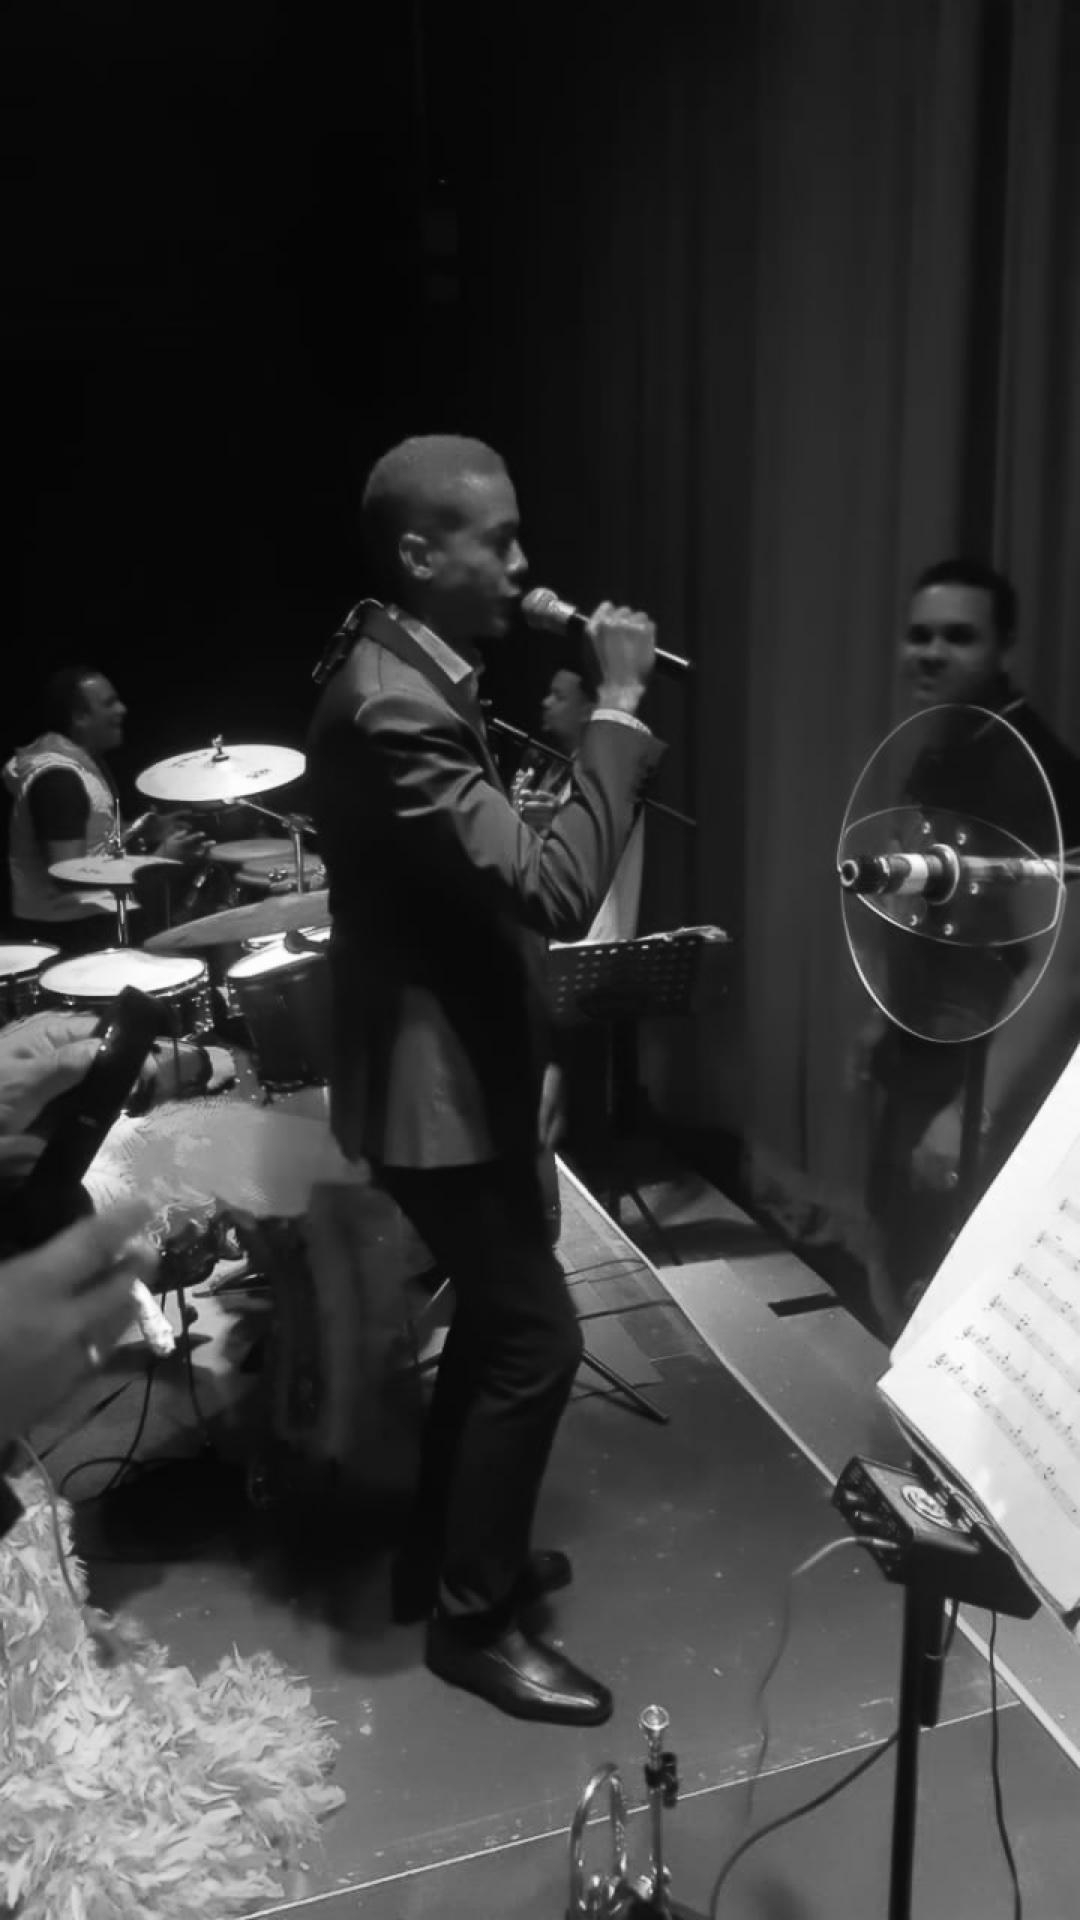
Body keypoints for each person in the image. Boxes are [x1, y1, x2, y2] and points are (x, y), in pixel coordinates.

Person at [306, 434, 663, 1725]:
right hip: (433, 1090)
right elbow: (555, 891)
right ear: (420, 552)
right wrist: (616, 714)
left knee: (503, 1327)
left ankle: (451, 1555)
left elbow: (476, 888)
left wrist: (537, 1047)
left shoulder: (409, 664)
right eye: (496, 540)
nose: (522, 564)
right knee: (536, 1338)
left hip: (470, 1064)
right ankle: (472, 1623)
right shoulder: (393, 703)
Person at [861, 557, 1080, 1336]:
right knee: (894, 1283)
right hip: (924, 1066)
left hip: (981, 1092)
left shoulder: (1033, 773)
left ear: (1003, 648)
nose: (930, 652)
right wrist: (882, 1022)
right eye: (919, 635)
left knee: (947, 1322)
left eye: (958, 637)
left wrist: (969, 1118)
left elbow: (1061, 973)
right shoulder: (946, 745)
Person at [3, 665, 206, 952]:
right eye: (109, 703)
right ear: (80, 717)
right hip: (72, 933)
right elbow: (67, 875)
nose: (122, 709)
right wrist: (158, 860)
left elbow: (93, 840)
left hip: (88, 919)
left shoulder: (76, 763)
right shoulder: (59, 780)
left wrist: (142, 830)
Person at [514, 662, 646, 943]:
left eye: (559, 696)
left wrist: (558, 822)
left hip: (591, 936)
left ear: (589, 710)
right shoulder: (548, 767)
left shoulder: (610, 773)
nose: (545, 702)